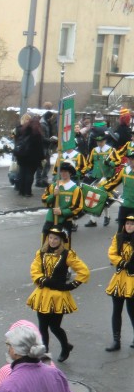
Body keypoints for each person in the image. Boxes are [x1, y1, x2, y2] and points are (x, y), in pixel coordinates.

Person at [26, 227, 89, 361]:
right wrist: (44, 280)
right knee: (42, 326)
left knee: (54, 327)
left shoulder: (67, 254)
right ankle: (45, 353)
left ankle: (65, 347)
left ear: (61, 241)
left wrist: (72, 285)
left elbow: (84, 271)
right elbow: (34, 270)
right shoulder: (41, 253)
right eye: (50, 238)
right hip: (42, 295)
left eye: (56, 238)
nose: (52, 241)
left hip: (58, 296)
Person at [104, 215, 134, 351]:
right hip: (119, 278)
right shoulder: (119, 237)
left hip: (132, 279)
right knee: (117, 310)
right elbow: (112, 253)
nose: (129, 226)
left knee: (132, 310)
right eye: (127, 223)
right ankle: (116, 341)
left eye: (132, 224)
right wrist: (123, 263)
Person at [41, 161, 83, 246]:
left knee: (64, 245)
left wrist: (62, 212)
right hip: (51, 219)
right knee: (46, 243)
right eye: (62, 171)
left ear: (70, 173)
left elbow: (77, 207)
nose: (63, 173)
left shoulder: (75, 189)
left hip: (65, 221)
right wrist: (53, 195)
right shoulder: (53, 186)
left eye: (66, 172)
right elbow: (44, 200)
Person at [84, 131, 120, 227]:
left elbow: (118, 161)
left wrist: (110, 164)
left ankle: (105, 216)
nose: (99, 143)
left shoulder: (111, 150)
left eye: (101, 141)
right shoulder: (94, 150)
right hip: (96, 177)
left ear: (105, 140)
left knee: (104, 198)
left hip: (106, 177)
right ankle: (94, 219)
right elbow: (89, 162)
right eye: (98, 141)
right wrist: (86, 171)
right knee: (93, 197)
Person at [102, 149, 134, 230]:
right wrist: (100, 188)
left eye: (133, 159)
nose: (131, 161)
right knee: (121, 231)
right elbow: (113, 182)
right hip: (125, 205)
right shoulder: (124, 171)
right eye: (130, 159)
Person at [15, 115, 46, 198]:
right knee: (30, 174)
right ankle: (27, 191)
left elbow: (18, 141)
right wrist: (42, 158)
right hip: (33, 158)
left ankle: (21, 191)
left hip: (21, 156)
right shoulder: (37, 134)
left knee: (22, 173)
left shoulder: (23, 130)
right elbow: (40, 148)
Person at [36, 102, 58, 188]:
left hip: (46, 147)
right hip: (43, 147)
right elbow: (42, 137)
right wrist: (51, 140)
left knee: (46, 164)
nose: (51, 119)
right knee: (42, 164)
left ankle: (43, 179)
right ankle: (39, 180)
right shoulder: (43, 123)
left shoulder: (46, 122)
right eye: (51, 117)